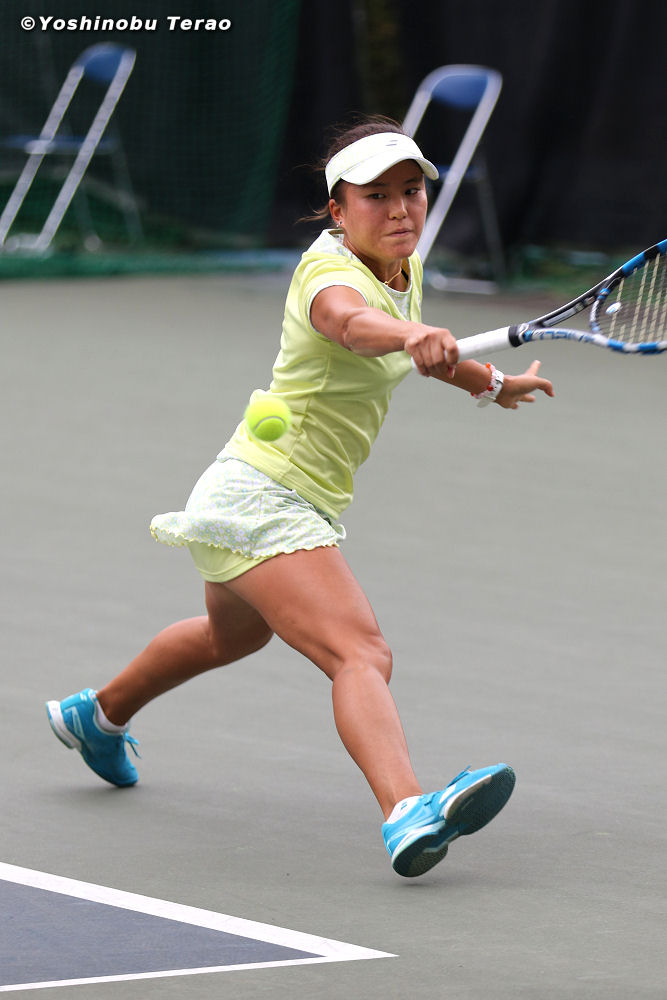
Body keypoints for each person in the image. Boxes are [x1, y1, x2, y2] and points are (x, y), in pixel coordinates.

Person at [46, 117, 554, 879]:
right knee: (360, 651)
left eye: (410, 191)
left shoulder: (402, 267)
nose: (399, 209)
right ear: (337, 210)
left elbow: (420, 350)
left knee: (230, 638)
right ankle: (405, 809)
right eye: (375, 196)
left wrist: (491, 382)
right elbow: (352, 326)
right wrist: (406, 335)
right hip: (265, 495)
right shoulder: (327, 276)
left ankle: (98, 716)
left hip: (264, 490)